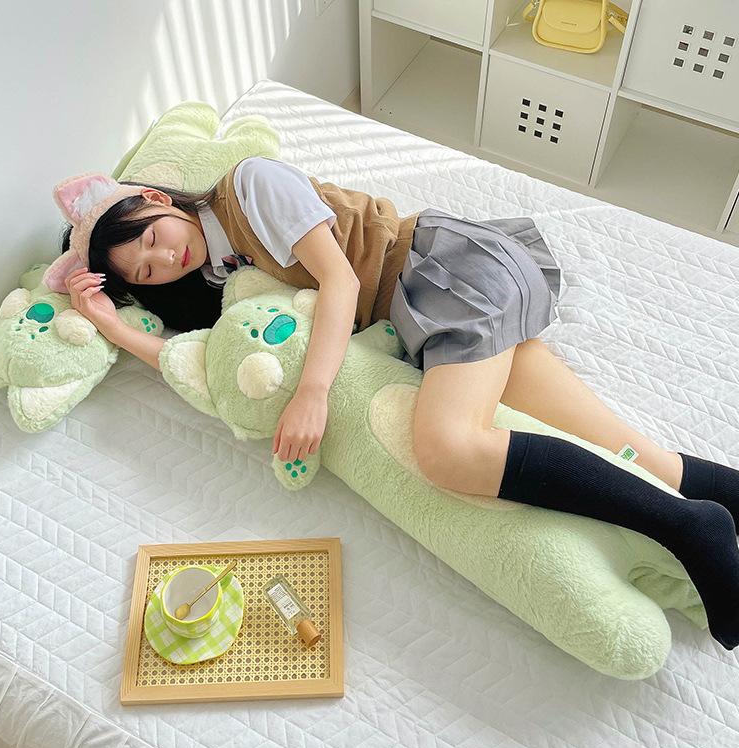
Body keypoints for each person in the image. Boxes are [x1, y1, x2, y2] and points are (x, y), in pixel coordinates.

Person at [51, 156, 739, 650]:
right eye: (146, 271)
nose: (163, 260)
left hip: (447, 273)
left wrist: (314, 393)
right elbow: (209, 366)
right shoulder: (221, 274)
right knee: (632, 452)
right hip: (426, 323)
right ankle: (712, 505)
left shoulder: (250, 184)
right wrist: (113, 325)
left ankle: (689, 530)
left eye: (151, 237)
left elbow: (341, 281)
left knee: (446, 448)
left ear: (157, 198)